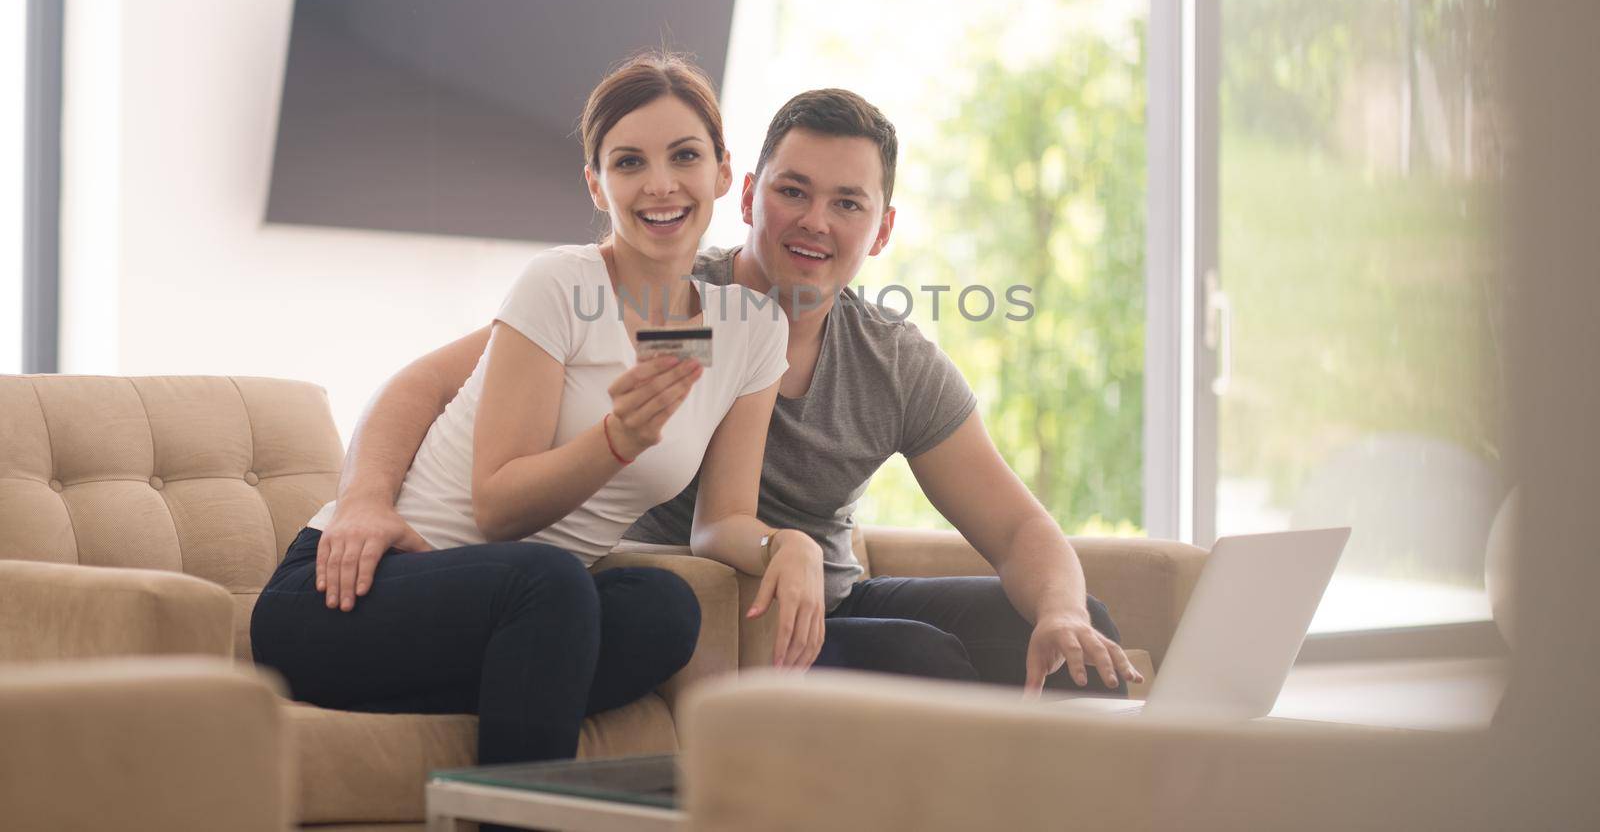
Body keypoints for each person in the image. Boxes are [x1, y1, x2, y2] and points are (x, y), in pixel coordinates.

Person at [312, 87, 1142, 696]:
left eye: (846, 203)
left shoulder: (893, 360)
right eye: (792, 191)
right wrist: (363, 499)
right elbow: (421, 385)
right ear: (745, 194)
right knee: (926, 662)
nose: (814, 221)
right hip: (706, 602)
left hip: (831, 594)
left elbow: (1018, 525)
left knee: (1081, 633)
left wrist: (1061, 608)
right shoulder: (658, 292)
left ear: (881, 229)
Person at [250, 53, 824, 769]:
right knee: (551, 580)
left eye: (684, 156)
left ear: (720, 172)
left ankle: (517, 689)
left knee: (663, 609)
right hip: (354, 595)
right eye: (628, 163)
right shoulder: (559, 285)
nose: (661, 184)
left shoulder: (751, 330)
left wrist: (790, 545)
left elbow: (725, 518)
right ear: (596, 183)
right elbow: (496, 511)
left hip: (524, 611)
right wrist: (617, 440)